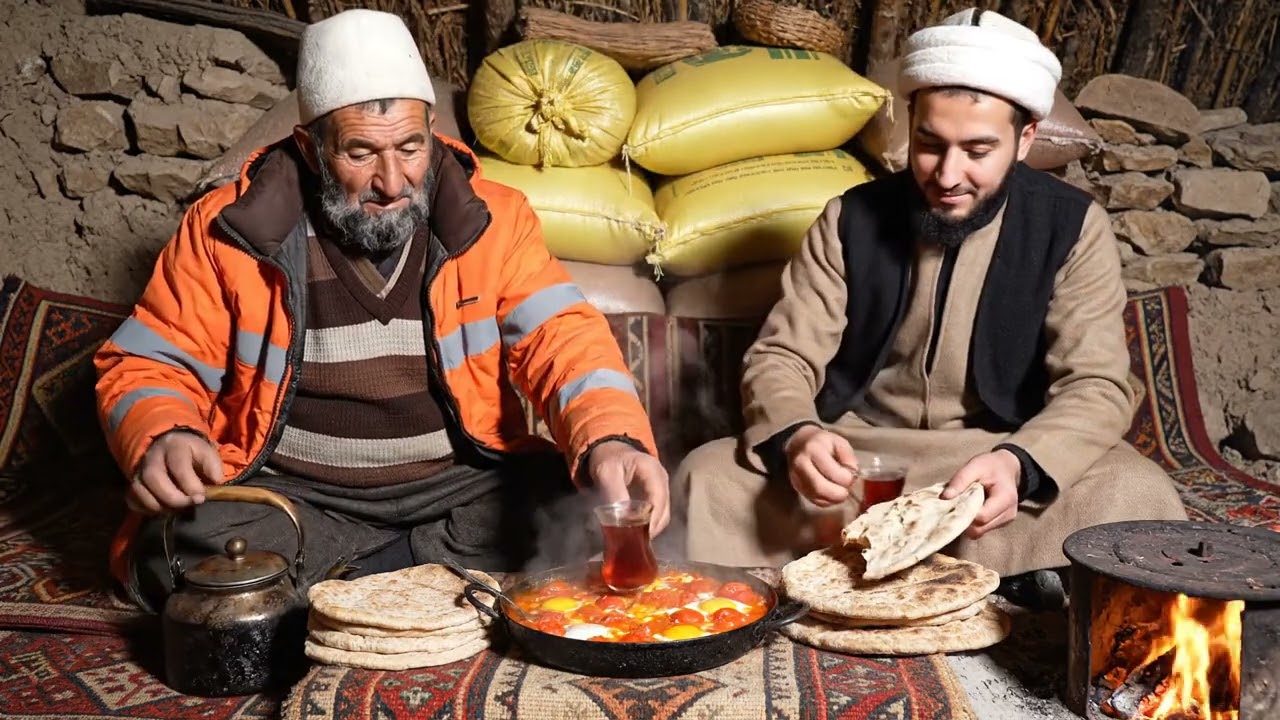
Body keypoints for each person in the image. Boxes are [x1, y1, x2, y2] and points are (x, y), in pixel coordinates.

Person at [94, 9, 668, 612]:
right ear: (310, 149)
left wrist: (611, 439)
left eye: (410, 147)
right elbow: (150, 360)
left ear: (431, 133)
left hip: (457, 487)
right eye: (361, 152)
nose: (393, 181)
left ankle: (345, 582)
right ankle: (422, 575)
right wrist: (165, 433)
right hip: (295, 498)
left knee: (581, 512)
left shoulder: (496, 219)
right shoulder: (225, 230)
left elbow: (563, 338)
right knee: (176, 552)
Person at [673, 8, 1186, 609]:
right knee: (706, 477)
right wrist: (798, 436)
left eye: (978, 150)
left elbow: (1096, 384)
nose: (948, 175)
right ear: (910, 126)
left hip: (991, 461)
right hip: (860, 459)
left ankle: (900, 562)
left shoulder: (1072, 227)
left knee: (1135, 491)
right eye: (930, 145)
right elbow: (782, 356)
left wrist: (1020, 463)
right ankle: (1009, 571)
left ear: (1025, 140)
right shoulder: (848, 218)